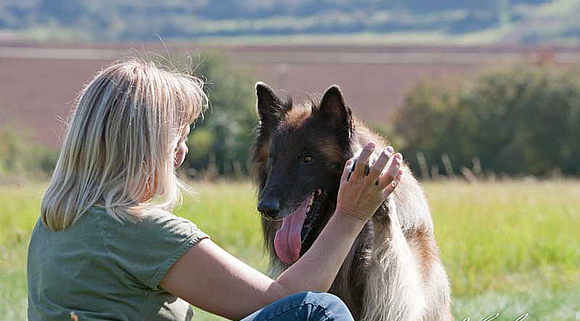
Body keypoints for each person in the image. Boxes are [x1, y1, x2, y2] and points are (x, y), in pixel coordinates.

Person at [27, 59, 403, 321]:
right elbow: (286, 301)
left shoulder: (53, 225)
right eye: (176, 138)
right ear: (145, 147)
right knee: (320, 311)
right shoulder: (141, 232)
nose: (182, 152)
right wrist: (350, 215)